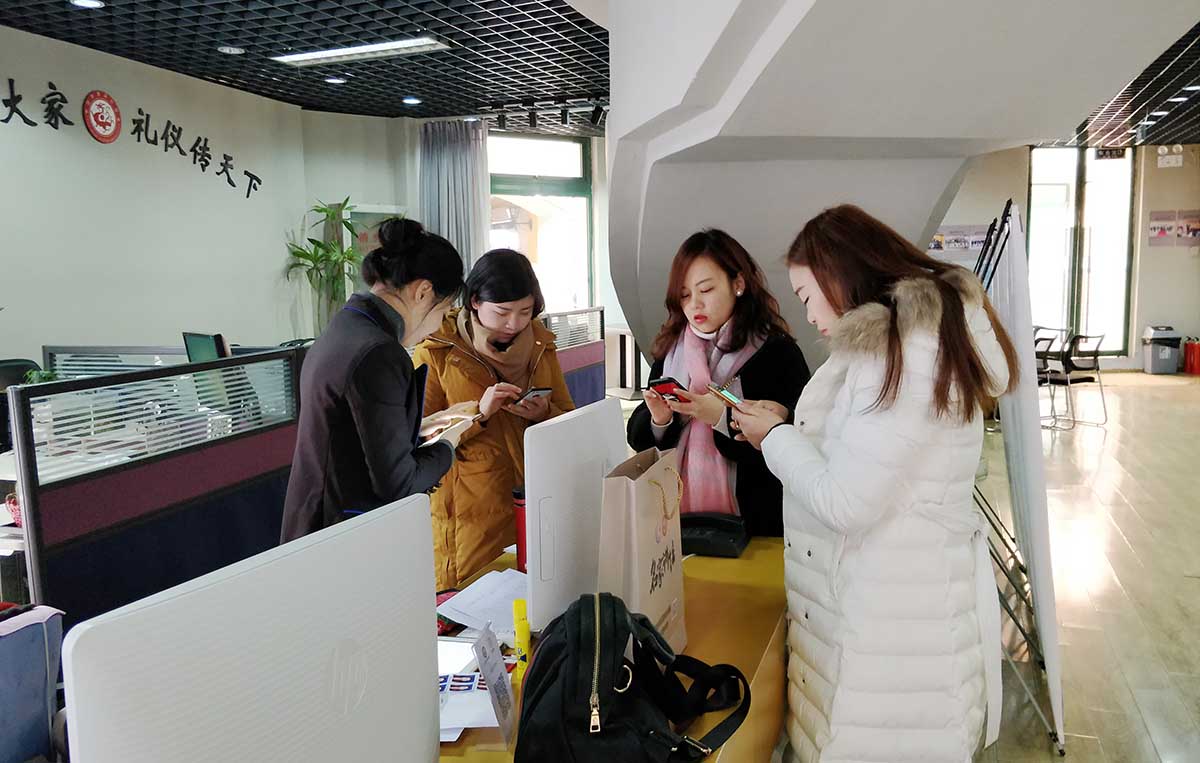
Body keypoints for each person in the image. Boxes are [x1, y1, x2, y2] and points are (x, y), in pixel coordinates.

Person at [732, 205, 1020, 762]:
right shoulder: (908, 343)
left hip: (891, 631)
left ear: (838, 276)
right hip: (899, 611)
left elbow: (847, 501)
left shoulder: (904, 351)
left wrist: (775, 439)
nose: (809, 314)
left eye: (807, 295)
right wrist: (787, 427)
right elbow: (868, 458)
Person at [281, 219, 466, 543]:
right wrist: (449, 444)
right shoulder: (380, 353)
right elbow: (399, 484)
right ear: (423, 292)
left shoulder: (345, 325)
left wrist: (415, 430)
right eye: (444, 310)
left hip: (312, 523)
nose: (438, 326)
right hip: (343, 537)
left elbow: (346, 434)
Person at [627, 229, 810, 537]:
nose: (695, 304)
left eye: (706, 289)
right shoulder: (671, 350)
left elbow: (798, 445)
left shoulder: (777, 352)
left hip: (757, 527)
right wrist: (662, 421)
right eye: (685, 295)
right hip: (675, 528)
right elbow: (640, 439)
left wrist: (721, 419)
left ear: (738, 284)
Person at [413, 249, 574, 589]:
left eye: (525, 312)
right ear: (474, 301)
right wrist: (478, 413)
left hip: (537, 503)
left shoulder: (541, 344)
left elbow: (570, 420)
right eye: (502, 312)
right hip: (471, 518)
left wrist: (544, 413)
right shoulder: (436, 351)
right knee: (476, 606)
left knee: (536, 600)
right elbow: (419, 439)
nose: (514, 324)